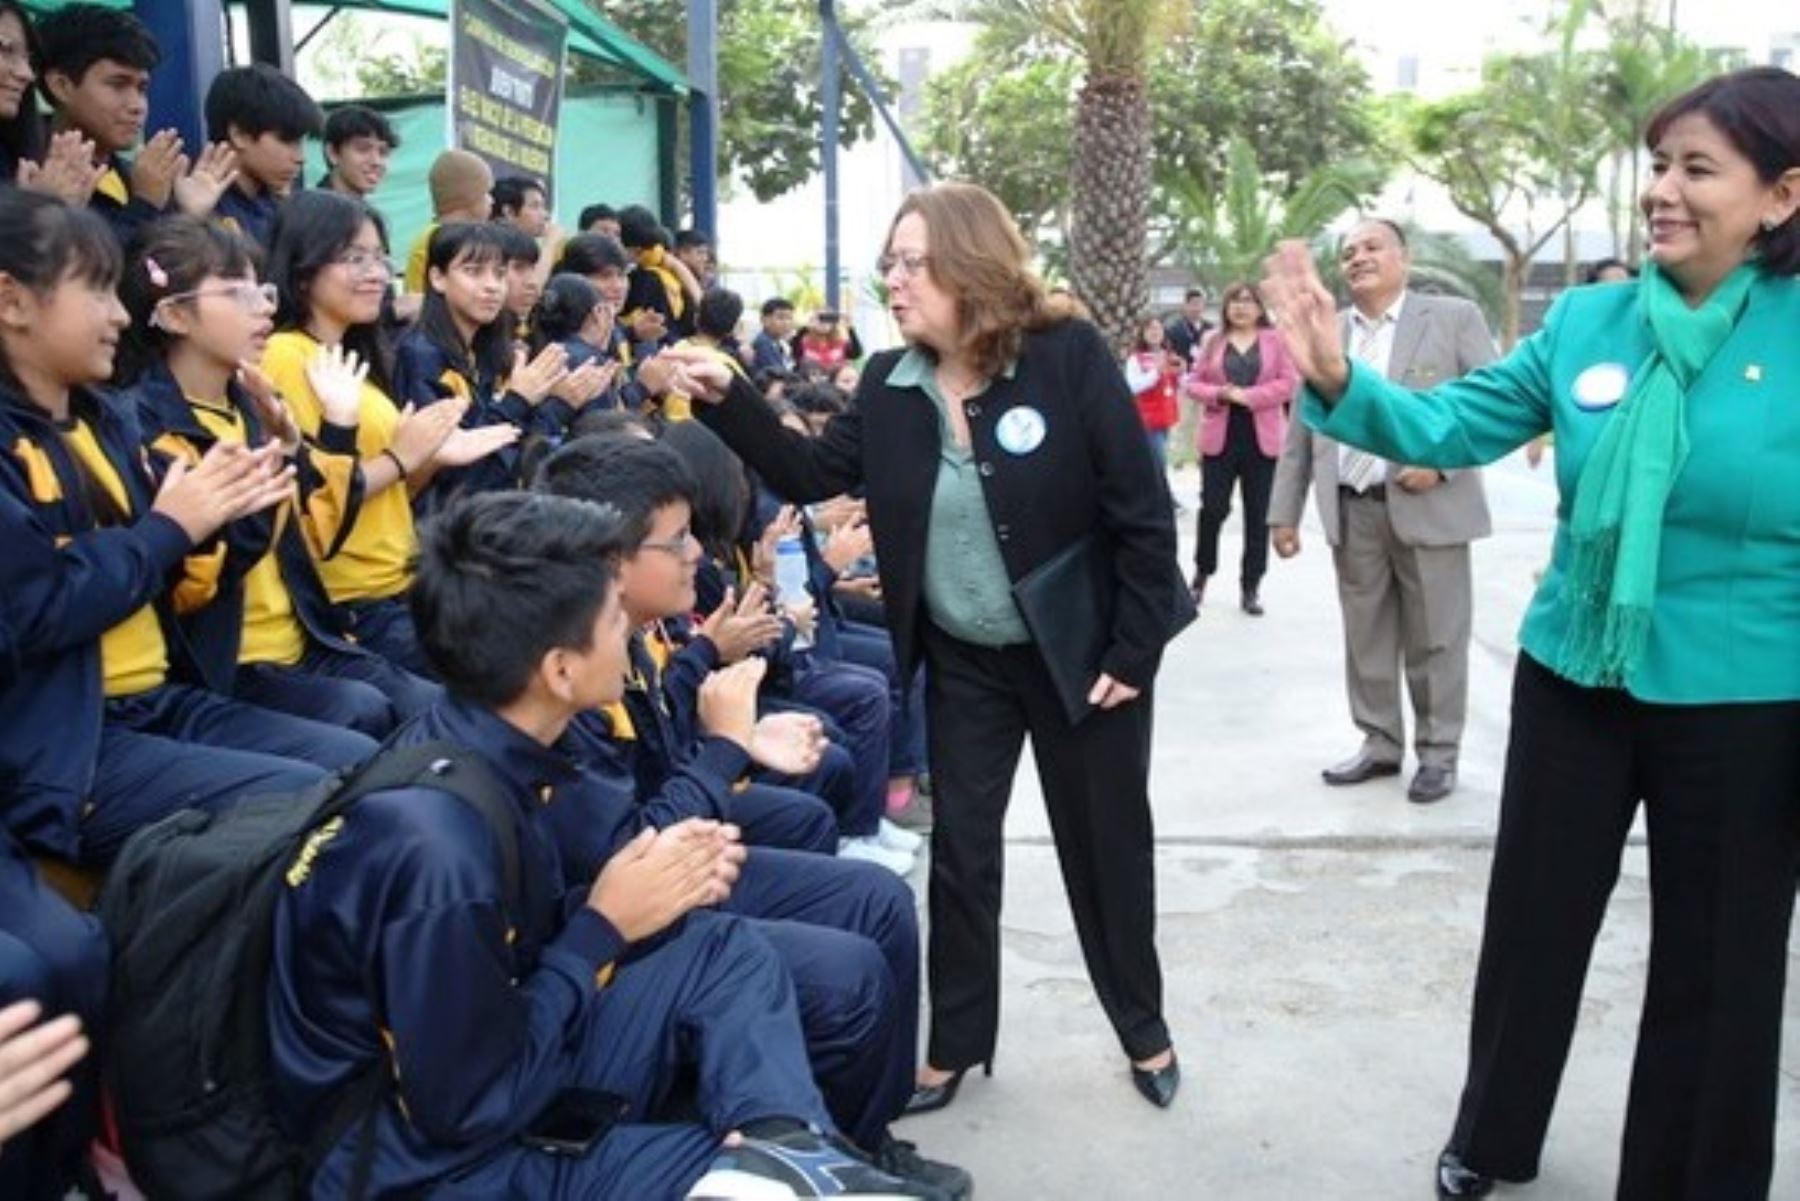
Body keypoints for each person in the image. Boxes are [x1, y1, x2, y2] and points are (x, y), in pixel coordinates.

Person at [1260, 66, 1800, 1201]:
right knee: (1534, 928)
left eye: (1698, 168)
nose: (1663, 190)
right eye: (1659, 164)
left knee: (1720, 966)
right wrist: (1333, 376)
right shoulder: (1595, 318)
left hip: (1747, 698)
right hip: (1576, 675)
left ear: (1782, 196)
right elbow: (1453, 421)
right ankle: (1491, 1134)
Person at [268, 489, 951, 1199]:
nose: (629, 632)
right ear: (560, 669)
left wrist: (624, 908)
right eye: (612, 619)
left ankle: (790, 1153)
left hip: (504, 1046)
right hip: (422, 1163)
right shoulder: (437, 847)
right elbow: (467, 1107)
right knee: (699, 1156)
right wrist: (603, 925)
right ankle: (771, 1171)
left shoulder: (499, 747)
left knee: (719, 948)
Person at [688, 181, 1191, 1112]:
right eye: (890, 262)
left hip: (1084, 656)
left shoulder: (1064, 355)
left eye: (914, 261)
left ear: (973, 264)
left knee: (1107, 846)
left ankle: (1143, 1025)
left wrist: (1134, 650)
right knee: (962, 852)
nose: (896, 279)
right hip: (966, 660)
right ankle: (955, 1041)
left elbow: (1142, 513)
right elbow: (808, 471)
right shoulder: (888, 384)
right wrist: (730, 398)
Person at [0, 192, 371, 870]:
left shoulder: (106, 421)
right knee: (323, 802)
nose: (118, 314)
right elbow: (39, 605)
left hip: (165, 697)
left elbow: (191, 572)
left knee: (364, 763)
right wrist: (170, 527)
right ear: (13, 300)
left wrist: (253, 491)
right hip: (73, 737)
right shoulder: (125, 420)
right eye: (98, 290)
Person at [117, 215, 441, 736]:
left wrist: (304, 444)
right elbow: (192, 585)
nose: (264, 307)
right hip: (233, 666)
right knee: (365, 714)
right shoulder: (145, 427)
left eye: (263, 290)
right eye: (237, 293)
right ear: (174, 316)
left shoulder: (253, 409)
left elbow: (316, 539)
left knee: (439, 714)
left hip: (308, 642)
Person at [1268, 218, 1496, 804]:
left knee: (1437, 639)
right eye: (1348, 252)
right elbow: (1301, 428)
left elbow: (1495, 404)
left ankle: (1439, 753)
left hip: (1430, 506)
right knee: (1365, 636)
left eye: (1372, 247)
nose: (1358, 258)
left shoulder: (1452, 319)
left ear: (1404, 257)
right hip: (1352, 510)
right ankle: (1379, 742)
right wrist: (1283, 512)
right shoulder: (1329, 328)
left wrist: (1443, 463)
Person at [262, 191, 517, 676]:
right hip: (353, 600)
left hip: (397, 584)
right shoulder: (286, 356)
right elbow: (316, 498)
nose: (376, 273)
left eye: (380, 258)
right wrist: (403, 457)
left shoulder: (355, 357)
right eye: (354, 258)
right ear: (302, 267)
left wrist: (430, 458)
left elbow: (390, 490)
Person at [34, 4, 237, 245]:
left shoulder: (141, 179)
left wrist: (187, 216)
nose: (137, 105)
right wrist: (145, 206)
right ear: (61, 86)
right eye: (118, 84)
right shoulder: (25, 173)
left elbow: (166, 275)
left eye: (142, 88)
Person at [1183, 282, 1298, 616]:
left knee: (1258, 514)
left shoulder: (1276, 341)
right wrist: (1220, 393)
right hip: (1221, 434)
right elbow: (1191, 383)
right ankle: (1201, 574)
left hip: (1262, 438)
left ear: (1260, 308)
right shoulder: (1212, 340)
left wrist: (1250, 397)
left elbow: (1290, 383)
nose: (1241, 307)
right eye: (1235, 300)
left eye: (1248, 301)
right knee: (1213, 509)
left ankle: (1251, 586)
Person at [202, 63, 322, 251]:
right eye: (287, 140)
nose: (301, 158)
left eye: (300, 142)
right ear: (239, 134)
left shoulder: (281, 208)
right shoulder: (194, 210)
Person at [318, 105, 397, 199]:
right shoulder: (311, 211)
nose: (376, 162)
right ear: (333, 153)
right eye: (363, 149)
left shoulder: (364, 211)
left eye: (383, 152)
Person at [1162, 287, 1210, 365]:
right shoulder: (1174, 329)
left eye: (1199, 304)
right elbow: (1169, 352)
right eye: (1193, 304)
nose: (1196, 308)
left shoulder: (1210, 329)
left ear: (1204, 306)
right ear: (1185, 305)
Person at [753, 297, 797, 375]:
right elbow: (778, 374)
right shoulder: (763, 343)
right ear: (764, 320)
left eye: (789, 318)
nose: (786, 323)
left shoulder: (781, 343)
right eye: (781, 318)